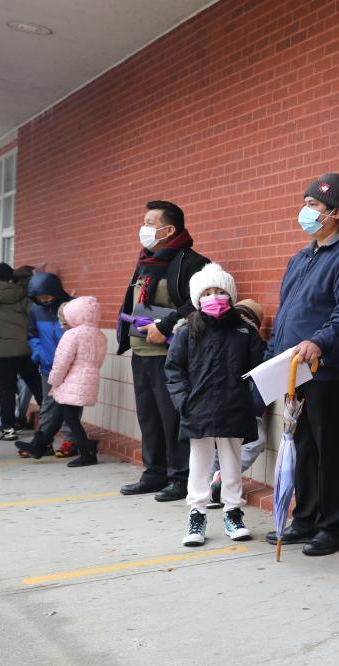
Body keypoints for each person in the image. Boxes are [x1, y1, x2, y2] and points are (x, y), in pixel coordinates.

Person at [262, 174, 339, 557]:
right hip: (295, 369)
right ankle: (306, 518)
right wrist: (273, 355)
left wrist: (320, 341)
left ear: (336, 213)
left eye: (313, 205)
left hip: (329, 369)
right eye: (306, 203)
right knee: (303, 446)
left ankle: (332, 526)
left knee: (330, 448)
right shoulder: (302, 257)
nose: (306, 211)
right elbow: (287, 315)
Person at [165, 264, 265, 546]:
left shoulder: (244, 332)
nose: (214, 297)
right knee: (199, 463)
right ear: (197, 299)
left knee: (231, 462)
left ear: (230, 295)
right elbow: (173, 370)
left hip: (234, 409)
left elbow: (260, 367)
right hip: (198, 410)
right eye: (207, 292)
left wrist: (251, 400)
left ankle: (233, 511)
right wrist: (183, 401)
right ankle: (196, 514)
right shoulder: (187, 331)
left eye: (219, 291)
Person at [117, 200, 209, 502]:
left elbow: (198, 302)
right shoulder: (146, 260)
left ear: (168, 229)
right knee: (149, 417)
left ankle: (179, 477)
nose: (143, 228)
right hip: (141, 350)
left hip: (170, 353)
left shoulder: (192, 262)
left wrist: (166, 326)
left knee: (172, 418)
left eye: (149, 222)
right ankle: (153, 472)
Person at [15, 296, 107, 467]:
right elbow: (99, 361)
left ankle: (87, 451)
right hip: (87, 379)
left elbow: (61, 362)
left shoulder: (71, 334)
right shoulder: (100, 335)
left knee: (70, 417)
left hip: (71, 380)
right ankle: (38, 446)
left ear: (75, 315)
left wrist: (54, 381)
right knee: (59, 414)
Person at [206, 299, 268, 509]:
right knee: (254, 441)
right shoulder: (250, 339)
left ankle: (214, 485)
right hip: (242, 409)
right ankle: (223, 479)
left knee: (218, 447)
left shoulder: (219, 335)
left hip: (221, 408)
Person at [22, 271, 76, 457]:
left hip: (70, 366)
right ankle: (43, 441)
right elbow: (32, 335)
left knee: (71, 404)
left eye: (47, 296)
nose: (44, 300)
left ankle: (71, 440)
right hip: (47, 365)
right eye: (39, 297)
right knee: (48, 404)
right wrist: (39, 353)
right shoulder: (36, 310)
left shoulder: (72, 307)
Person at [0, 263, 43, 440]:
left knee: (6, 390)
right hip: (25, 348)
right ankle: (52, 420)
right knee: (36, 384)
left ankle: (8, 428)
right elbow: (33, 315)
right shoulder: (22, 293)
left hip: (2, 352)